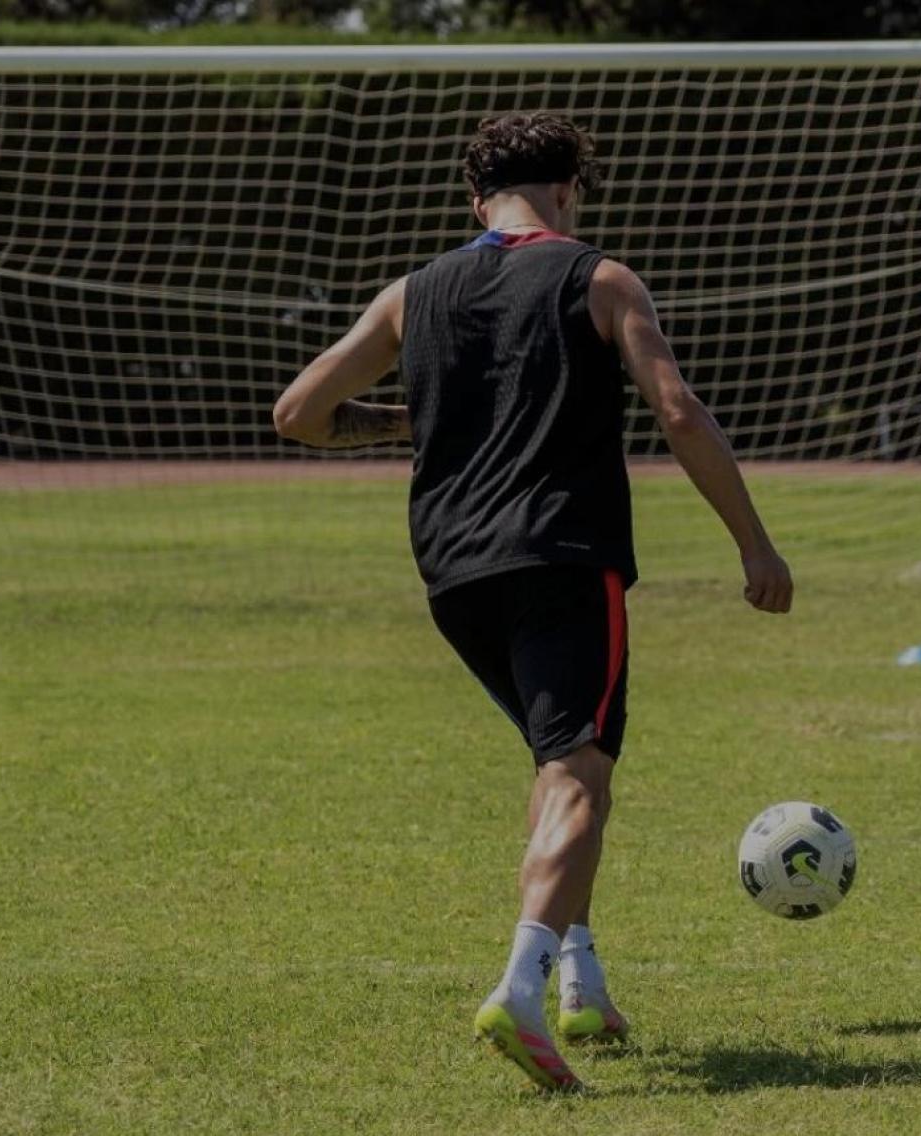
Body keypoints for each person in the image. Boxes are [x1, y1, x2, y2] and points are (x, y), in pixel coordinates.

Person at [272, 112, 792, 1093]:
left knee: (564, 764)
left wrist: (404, 420)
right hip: (560, 556)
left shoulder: (410, 294)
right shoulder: (599, 278)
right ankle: (517, 985)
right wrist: (753, 543)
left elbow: (299, 414)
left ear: (478, 201)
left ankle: (578, 978)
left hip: (452, 574)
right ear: (567, 192)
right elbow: (676, 409)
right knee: (579, 778)